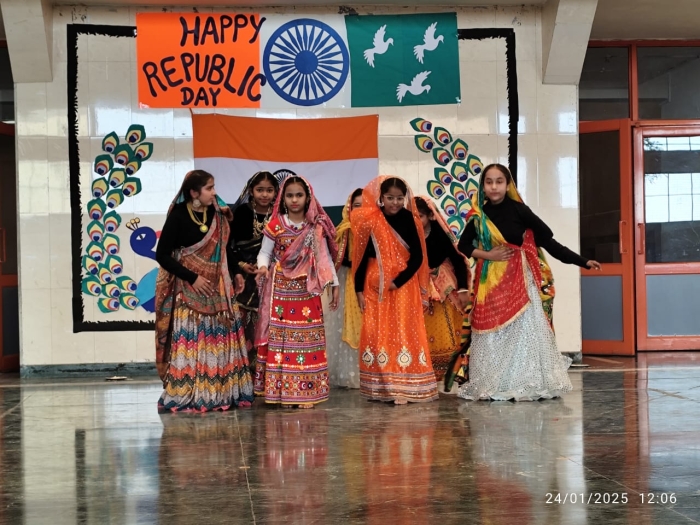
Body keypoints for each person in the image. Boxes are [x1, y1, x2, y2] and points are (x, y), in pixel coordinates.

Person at [456, 163, 601, 401]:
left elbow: (548, 240)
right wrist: (489, 254)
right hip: (490, 284)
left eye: (499, 181)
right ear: (483, 186)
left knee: (523, 334)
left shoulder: (519, 210)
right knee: (492, 334)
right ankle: (494, 383)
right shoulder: (478, 215)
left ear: (508, 185)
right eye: (489, 182)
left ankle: (523, 382)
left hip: (520, 283)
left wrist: (582, 261)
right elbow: (463, 245)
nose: (494, 187)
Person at [155, 170, 254, 412]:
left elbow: (224, 249)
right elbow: (162, 255)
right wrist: (193, 277)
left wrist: (236, 272)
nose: (214, 192)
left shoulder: (218, 215)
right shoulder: (178, 215)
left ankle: (222, 392)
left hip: (219, 289)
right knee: (193, 341)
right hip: (189, 290)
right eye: (209, 188)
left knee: (220, 338)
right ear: (193, 193)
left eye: (213, 187)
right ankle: (192, 392)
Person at [254, 176, 340, 408]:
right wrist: (263, 267)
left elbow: (324, 258)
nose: (294, 200)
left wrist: (334, 284)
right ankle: (281, 392)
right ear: (283, 198)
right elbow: (264, 253)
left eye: (299, 195)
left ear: (307, 198)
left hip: (307, 291)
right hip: (280, 291)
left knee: (306, 340)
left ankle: (306, 393)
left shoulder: (315, 227)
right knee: (282, 340)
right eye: (290, 195)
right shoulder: (275, 225)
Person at [352, 176, 439, 405]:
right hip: (374, 285)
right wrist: (358, 290)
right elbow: (360, 257)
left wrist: (397, 282)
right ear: (381, 197)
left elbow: (418, 257)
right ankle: (382, 387)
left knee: (402, 331)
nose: (395, 203)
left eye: (400, 198)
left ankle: (402, 387)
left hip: (403, 286)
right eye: (390, 198)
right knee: (377, 333)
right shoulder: (370, 219)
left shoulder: (410, 220)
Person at [414, 196, 470, 385]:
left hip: (442, 290)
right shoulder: (408, 235)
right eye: (413, 216)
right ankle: (425, 373)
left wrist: (463, 288)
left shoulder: (440, 234)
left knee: (445, 332)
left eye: (420, 216)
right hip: (418, 288)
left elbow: (458, 260)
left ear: (430, 215)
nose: (416, 220)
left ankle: (449, 373)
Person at [229, 171, 280, 371]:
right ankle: (243, 370)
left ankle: (267, 370)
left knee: (269, 321)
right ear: (251, 191)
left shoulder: (280, 215)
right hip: (243, 274)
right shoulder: (241, 213)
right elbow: (227, 246)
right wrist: (241, 264)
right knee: (244, 323)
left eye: (269, 190)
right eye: (260, 190)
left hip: (271, 274)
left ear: (276, 192)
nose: (264, 195)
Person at [323, 188, 363, 389]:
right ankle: (347, 373)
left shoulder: (377, 229)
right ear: (349, 208)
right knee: (345, 326)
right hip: (347, 282)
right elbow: (337, 259)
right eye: (356, 206)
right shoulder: (343, 230)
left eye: (365, 206)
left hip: (371, 284)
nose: (360, 210)